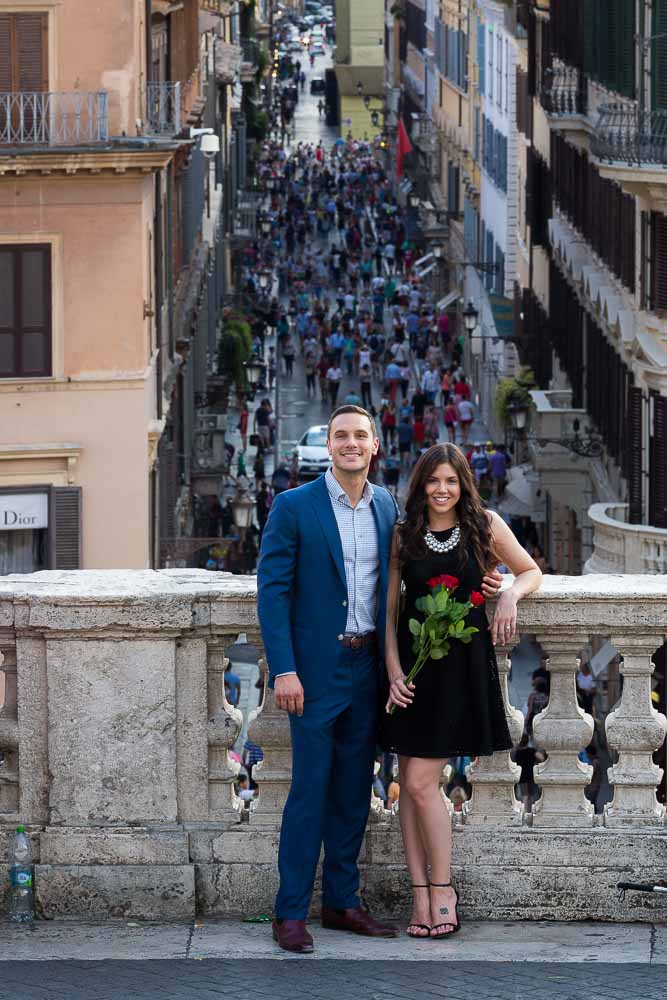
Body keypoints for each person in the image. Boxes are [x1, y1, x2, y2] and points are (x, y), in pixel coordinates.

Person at [381, 443, 541, 939]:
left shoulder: (484, 526)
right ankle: (421, 893)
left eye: (451, 481)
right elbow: (389, 612)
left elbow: (531, 571)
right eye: (434, 481)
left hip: (459, 671)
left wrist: (511, 593)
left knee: (419, 783)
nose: (442, 490)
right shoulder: (404, 534)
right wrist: (392, 669)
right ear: (421, 485)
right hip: (411, 672)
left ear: (463, 484)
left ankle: (443, 888)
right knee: (409, 783)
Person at [258, 405, 401, 954]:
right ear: (329, 446)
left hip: (367, 669)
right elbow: (272, 591)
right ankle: (289, 910)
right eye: (341, 435)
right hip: (313, 673)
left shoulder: (386, 505)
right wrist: (284, 668)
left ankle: (342, 902)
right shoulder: (293, 507)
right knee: (309, 792)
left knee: (351, 793)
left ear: (374, 445)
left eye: (359, 436)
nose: (350, 443)